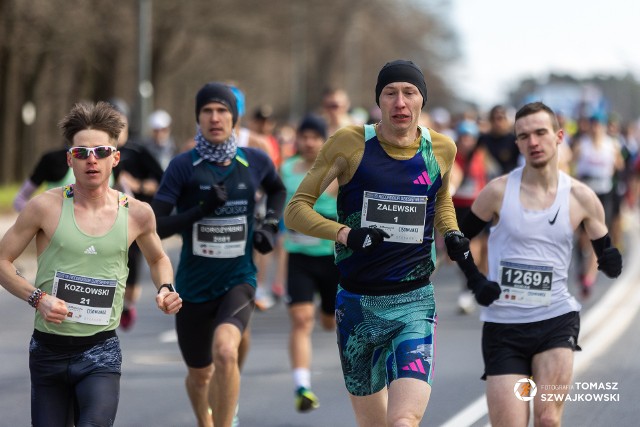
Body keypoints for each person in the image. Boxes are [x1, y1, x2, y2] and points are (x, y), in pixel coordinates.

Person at [285, 60, 461, 427]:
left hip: (414, 301)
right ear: (378, 101)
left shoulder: (441, 149)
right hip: (356, 304)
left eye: (409, 92)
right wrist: (346, 234)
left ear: (421, 101)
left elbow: (440, 199)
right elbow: (295, 210)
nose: (400, 101)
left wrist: (452, 232)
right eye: (390, 93)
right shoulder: (350, 143)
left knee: (404, 420)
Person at [0, 101, 182, 427]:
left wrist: (166, 287)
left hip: (101, 350)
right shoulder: (44, 207)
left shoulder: (138, 213)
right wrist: (37, 298)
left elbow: (158, 258)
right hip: (48, 350)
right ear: (70, 159)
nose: (91, 160)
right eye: (82, 153)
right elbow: (2, 261)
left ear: (116, 157)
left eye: (100, 151)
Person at [450, 102, 622, 427]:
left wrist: (610, 260)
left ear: (559, 137)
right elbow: (457, 242)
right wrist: (476, 281)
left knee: (547, 419)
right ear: (517, 143)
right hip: (503, 327)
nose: (534, 142)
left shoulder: (582, 197)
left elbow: (606, 253)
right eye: (524, 136)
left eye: (541, 133)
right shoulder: (497, 192)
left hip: (556, 320)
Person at [151, 82, 286, 427]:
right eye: (207, 111)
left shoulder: (253, 160)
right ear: (198, 117)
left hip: (238, 278)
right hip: (192, 286)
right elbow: (157, 226)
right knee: (200, 375)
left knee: (226, 351)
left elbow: (277, 188)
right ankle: (205, 421)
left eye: (222, 110)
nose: (215, 117)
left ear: (234, 117)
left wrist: (270, 224)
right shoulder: (184, 166)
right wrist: (200, 209)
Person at [281, 113, 339, 412]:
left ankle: (327, 314)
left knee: (330, 322)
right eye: (304, 137)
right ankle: (302, 386)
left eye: (315, 137)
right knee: (301, 320)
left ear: (324, 140)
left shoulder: (338, 171)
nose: (308, 142)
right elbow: (282, 215)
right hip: (299, 257)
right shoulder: (287, 170)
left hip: (332, 259)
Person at [113, 107, 165, 331]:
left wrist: (138, 185)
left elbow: (161, 181)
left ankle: (128, 305)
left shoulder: (138, 151)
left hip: (132, 218)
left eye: (120, 125)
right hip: (104, 218)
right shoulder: (96, 152)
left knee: (132, 264)